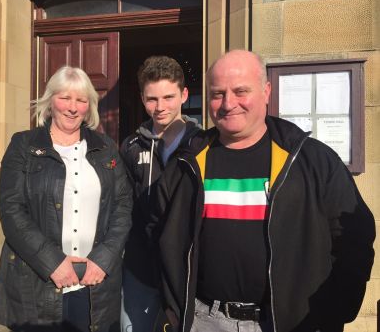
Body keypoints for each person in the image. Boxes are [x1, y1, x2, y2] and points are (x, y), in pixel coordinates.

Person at [151, 50, 375, 332]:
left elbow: (354, 238)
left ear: (266, 91)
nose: (228, 103)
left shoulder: (311, 160)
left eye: (240, 91)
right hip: (203, 320)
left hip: (291, 324)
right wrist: (172, 308)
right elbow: (154, 230)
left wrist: (333, 311)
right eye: (217, 93)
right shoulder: (186, 162)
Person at [0, 66, 133, 332]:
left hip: (94, 285)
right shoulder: (23, 145)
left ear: (89, 106)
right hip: (39, 283)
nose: (72, 107)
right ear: (50, 100)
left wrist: (104, 258)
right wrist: (53, 262)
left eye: (81, 100)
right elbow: (11, 210)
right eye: (65, 98)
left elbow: (123, 206)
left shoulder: (105, 147)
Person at [120, 56, 201, 332]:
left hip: (188, 271)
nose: (160, 107)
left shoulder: (202, 145)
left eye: (168, 97)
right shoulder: (130, 147)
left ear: (184, 95)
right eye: (152, 99)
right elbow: (123, 207)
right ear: (142, 99)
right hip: (140, 268)